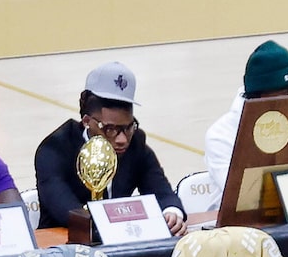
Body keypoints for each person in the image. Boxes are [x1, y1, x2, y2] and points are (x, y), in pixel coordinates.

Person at [31, 62, 184, 234]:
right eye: (110, 129)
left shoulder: (136, 144)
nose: (122, 139)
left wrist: (171, 213)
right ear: (87, 121)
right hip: (64, 247)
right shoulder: (54, 149)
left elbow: (162, 191)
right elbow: (68, 212)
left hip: (120, 239)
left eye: (128, 127)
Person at [205, 40, 288, 217]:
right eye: (287, 92)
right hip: (242, 227)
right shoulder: (221, 134)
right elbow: (243, 199)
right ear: (261, 95)